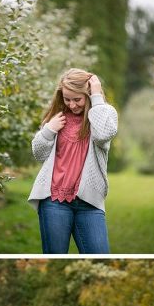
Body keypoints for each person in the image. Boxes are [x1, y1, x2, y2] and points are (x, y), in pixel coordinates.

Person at [28, 68, 118, 254]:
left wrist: (96, 96)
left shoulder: (104, 114)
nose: (72, 104)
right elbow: (38, 154)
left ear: (89, 94)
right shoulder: (57, 118)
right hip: (54, 200)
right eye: (67, 99)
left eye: (77, 99)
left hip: (89, 203)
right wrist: (49, 130)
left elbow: (102, 135)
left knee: (100, 254)